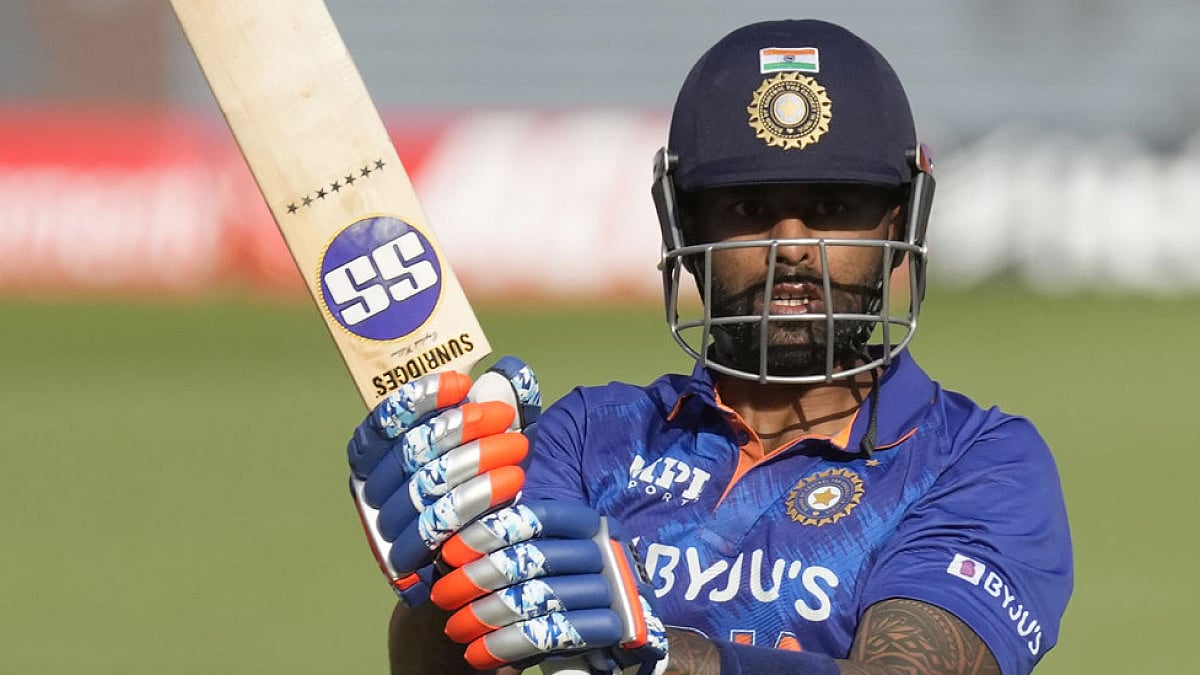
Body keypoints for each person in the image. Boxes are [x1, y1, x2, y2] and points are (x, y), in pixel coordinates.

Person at [347, 18, 1072, 675]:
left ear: (899, 224)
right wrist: (443, 577)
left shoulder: (977, 462)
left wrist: (677, 660)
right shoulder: (591, 438)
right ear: (683, 230)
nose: (792, 248)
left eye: (833, 208)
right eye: (749, 209)